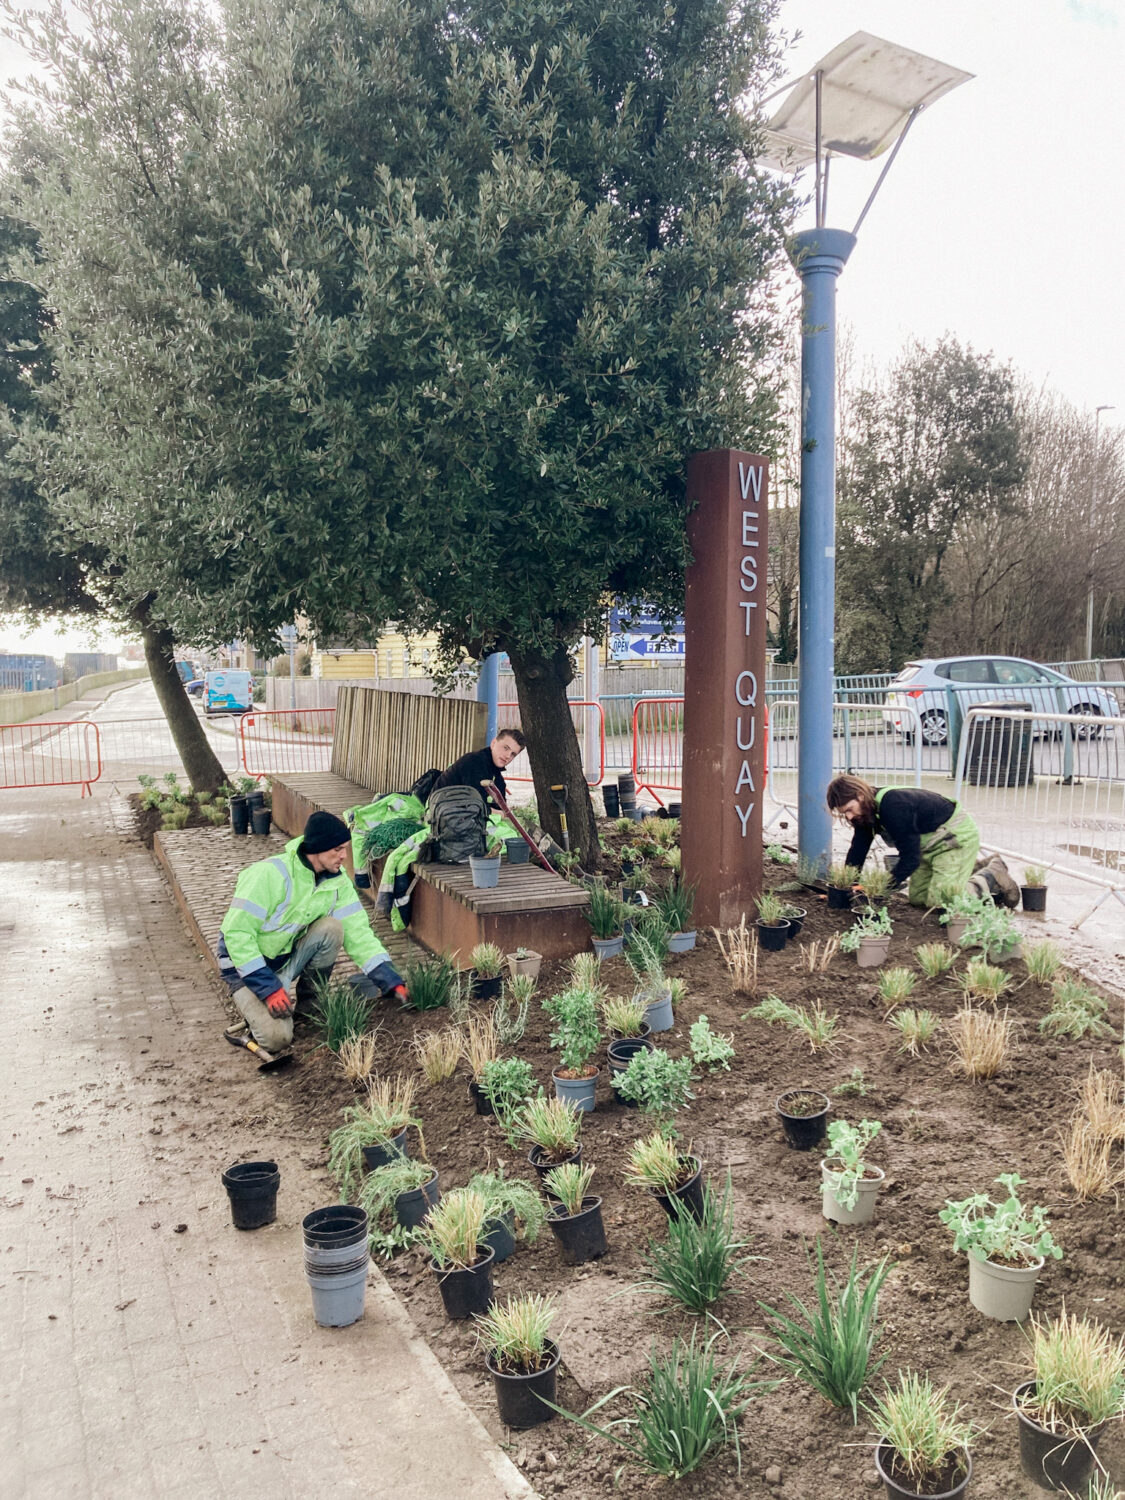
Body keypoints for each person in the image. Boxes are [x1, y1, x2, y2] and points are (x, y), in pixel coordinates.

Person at [218, 810, 406, 1058]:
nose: (344, 856)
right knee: (277, 1039)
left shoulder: (337, 883)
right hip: (245, 969)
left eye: (346, 848)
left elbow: (358, 932)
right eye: (338, 849)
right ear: (318, 847)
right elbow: (237, 934)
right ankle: (256, 1010)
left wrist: (390, 979)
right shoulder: (269, 875)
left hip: (283, 959)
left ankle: (309, 1009)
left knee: (332, 928)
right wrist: (268, 988)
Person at [825, 774, 1019, 910]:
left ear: (860, 795)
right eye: (845, 814)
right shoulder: (866, 814)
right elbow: (858, 850)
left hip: (954, 839)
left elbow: (910, 858)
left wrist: (881, 889)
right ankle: (971, 868)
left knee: (942, 902)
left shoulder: (893, 806)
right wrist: (846, 886)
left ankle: (992, 875)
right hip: (928, 848)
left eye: (850, 809)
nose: (849, 817)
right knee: (918, 900)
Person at [431, 727, 527, 810]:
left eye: (513, 754)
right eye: (505, 748)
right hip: (441, 814)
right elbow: (475, 806)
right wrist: (499, 813)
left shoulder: (497, 775)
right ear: (493, 743)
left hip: (459, 816)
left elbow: (501, 806)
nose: (507, 756)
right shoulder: (474, 762)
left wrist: (501, 812)